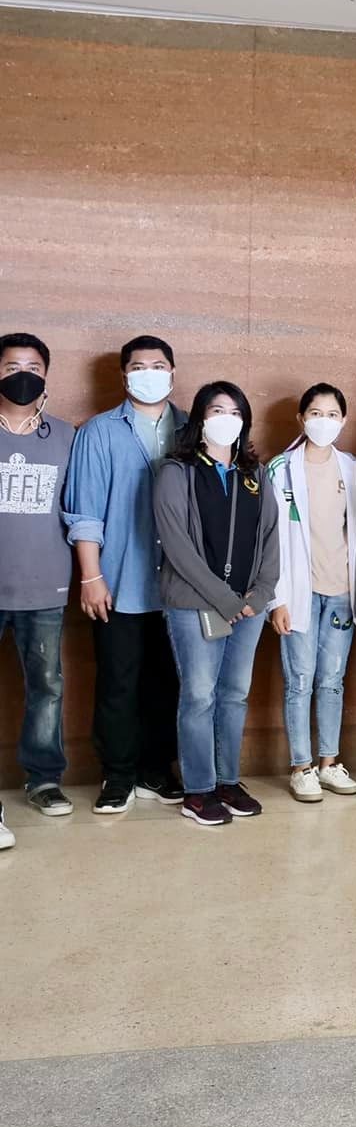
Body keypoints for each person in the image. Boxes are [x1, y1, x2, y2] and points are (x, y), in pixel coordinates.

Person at [62, 335, 185, 815]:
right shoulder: (98, 432)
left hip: (179, 587)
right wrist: (91, 577)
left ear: (172, 373)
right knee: (118, 682)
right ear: (123, 375)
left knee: (167, 683)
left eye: (158, 365)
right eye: (138, 366)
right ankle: (117, 775)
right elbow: (85, 512)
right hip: (119, 580)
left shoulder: (192, 429)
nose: (148, 373)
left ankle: (156, 769)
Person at [152, 382, 280, 828]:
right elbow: (177, 547)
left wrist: (261, 594)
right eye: (216, 410)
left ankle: (227, 781)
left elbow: (271, 537)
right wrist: (226, 599)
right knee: (199, 695)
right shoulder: (176, 472)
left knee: (234, 695)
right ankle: (199, 790)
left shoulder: (255, 473)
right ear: (200, 419)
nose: (227, 418)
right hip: (195, 604)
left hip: (249, 608)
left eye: (235, 412)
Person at [267, 384, 356, 803]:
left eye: (332, 414)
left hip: (341, 592)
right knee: (300, 681)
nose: (323, 421)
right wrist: (277, 600)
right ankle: (301, 767)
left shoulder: (352, 469)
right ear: (301, 419)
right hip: (298, 594)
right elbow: (271, 541)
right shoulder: (280, 469)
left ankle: (329, 763)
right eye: (315, 413)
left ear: (343, 420)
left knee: (332, 681)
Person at [0, 333, 77, 848]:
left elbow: (79, 510)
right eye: (11, 367)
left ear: (46, 375)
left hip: (45, 588)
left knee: (47, 687)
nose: (22, 375)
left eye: (32, 367)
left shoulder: (66, 437)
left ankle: (44, 779)